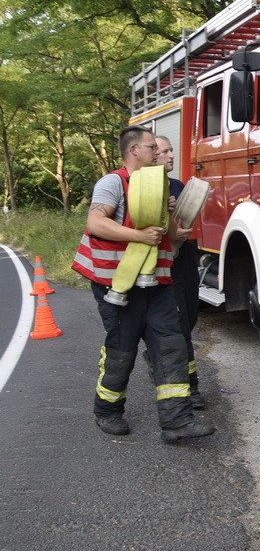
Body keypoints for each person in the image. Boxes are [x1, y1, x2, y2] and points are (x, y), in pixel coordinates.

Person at [72, 126, 215, 443]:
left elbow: (175, 236)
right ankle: (107, 411)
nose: (161, 153)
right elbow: (96, 222)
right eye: (153, 147)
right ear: (134, 150)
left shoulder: (159, 185)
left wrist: (180, 215)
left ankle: (177, 423)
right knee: (122, 350)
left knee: (171, 345)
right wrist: (139, 235)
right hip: (118, 286)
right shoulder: (113, 183)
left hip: (157, 282)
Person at [151, 135, 205, 409]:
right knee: (178, 327)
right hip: (161, 265)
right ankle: (190, 389)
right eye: (164, 151)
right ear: (150, 154)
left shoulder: (177, 185)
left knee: (190, 318)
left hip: (183, 260)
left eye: (172, 149)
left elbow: (183, 223)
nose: (171, 155)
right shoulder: (142, 188)